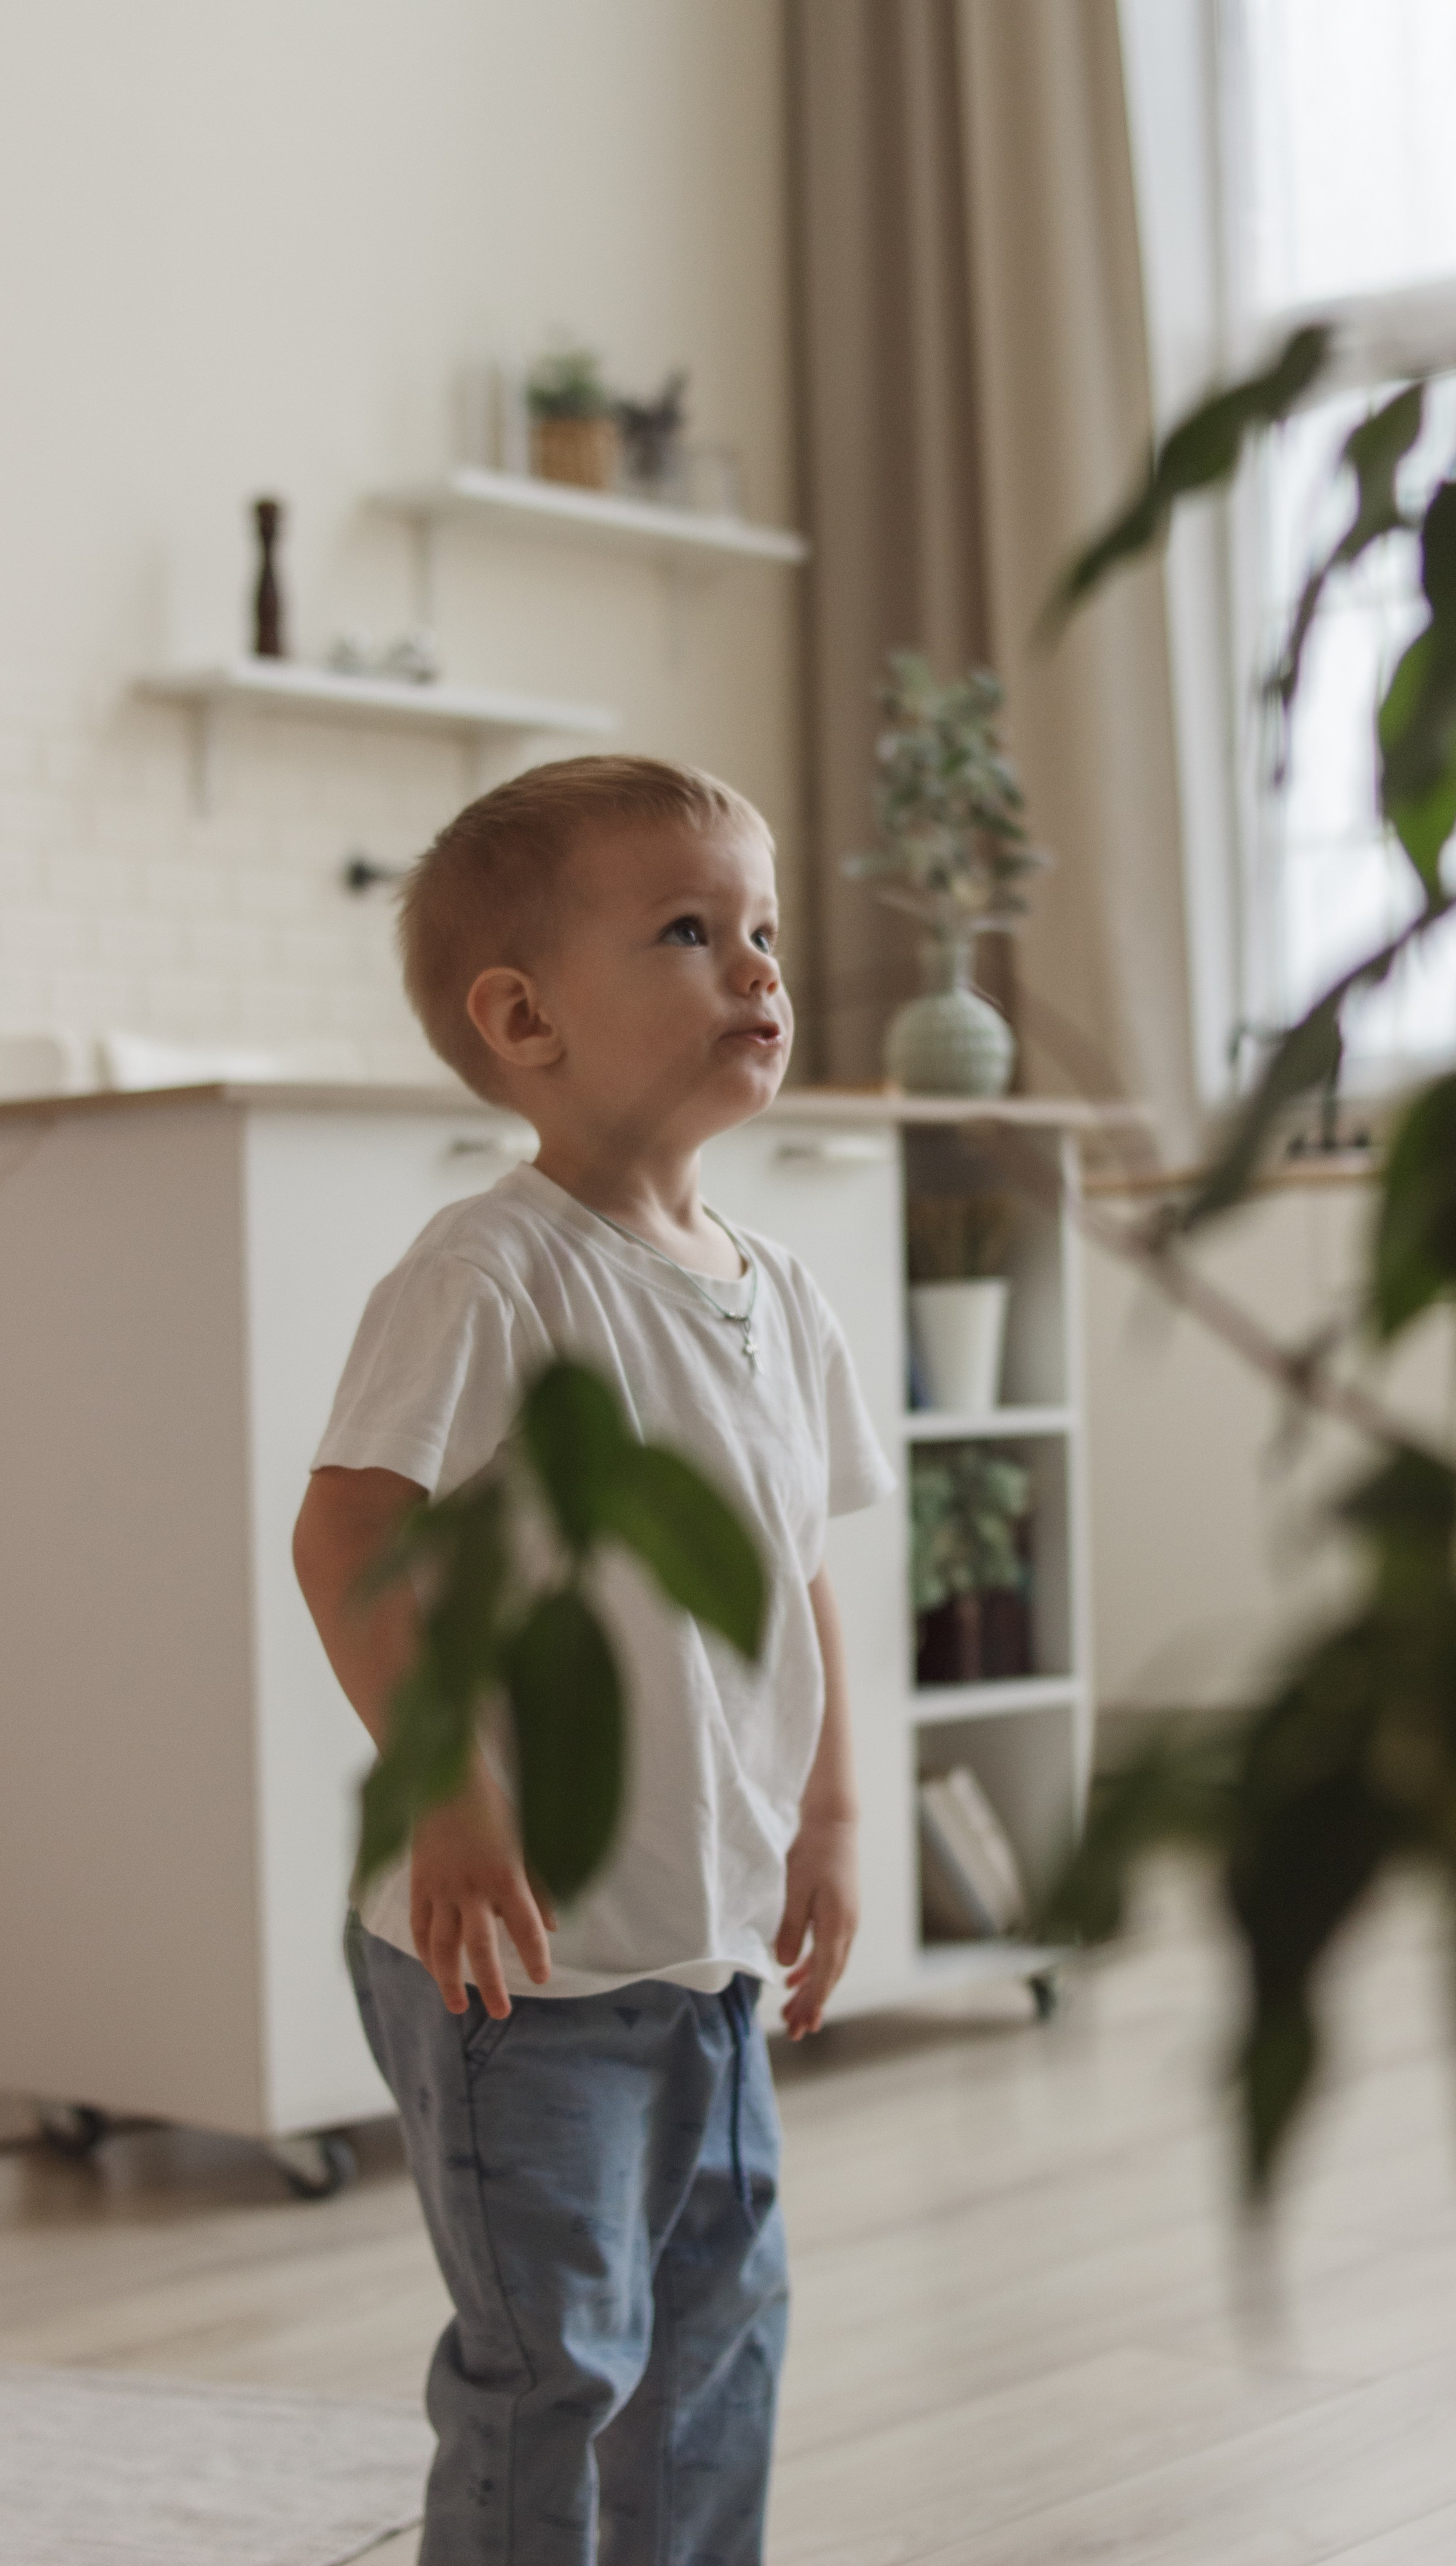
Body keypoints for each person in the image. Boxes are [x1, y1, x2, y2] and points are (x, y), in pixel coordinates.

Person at [293, 754, 893, 2565]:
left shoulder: (774, 1291)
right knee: (558, 2358)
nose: (763, 972)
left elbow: (791, 1575)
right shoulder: (491, 1273)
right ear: (524, 1017)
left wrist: (834, 1815)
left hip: (700, 1956)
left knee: (722, 2344)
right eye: (694, 931)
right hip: (518, 1965)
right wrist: (457, 1799)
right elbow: (347, 1531)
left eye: (769, 930)